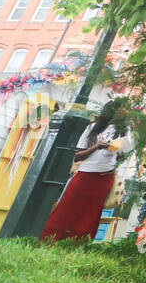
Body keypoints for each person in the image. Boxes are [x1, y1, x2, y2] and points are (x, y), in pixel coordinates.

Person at [40, 101, 127, 242]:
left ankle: (78, 244)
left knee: (90, 214)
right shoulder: (93, 128)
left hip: (105, 178)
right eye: (119, 109)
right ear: (110, 111)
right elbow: (77, 156)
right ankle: (49, 240)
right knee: (66, 208)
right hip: (85, 174)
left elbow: (121, 155)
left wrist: (117, 153)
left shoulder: (123, 132)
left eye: (124, 111)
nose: (122, 113)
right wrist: (96, 147)